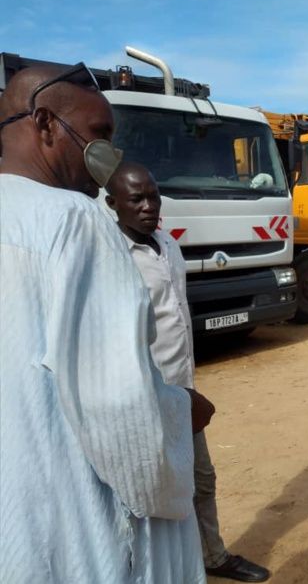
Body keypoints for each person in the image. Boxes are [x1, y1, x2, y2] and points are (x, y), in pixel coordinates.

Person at [0, 65, 211, 582]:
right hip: (77, 516)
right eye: (100, 134)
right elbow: (119, 407)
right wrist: (180, 408)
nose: (109, 155)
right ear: (45, 124)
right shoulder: (77, 218)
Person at [105, 163, 270, 582]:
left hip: (183, 391)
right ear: (113, 204)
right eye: (135, 199)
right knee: (148, 492)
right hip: (142, 396)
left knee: (201, 478)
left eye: (153, 197)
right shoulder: (111, 257)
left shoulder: (166, 243)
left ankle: (212, 556)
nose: (148, 207)